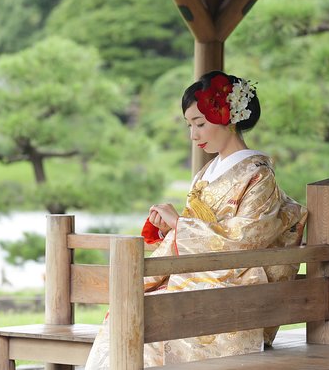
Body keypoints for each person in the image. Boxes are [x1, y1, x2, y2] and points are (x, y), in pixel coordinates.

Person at [85, 70, 307, 368]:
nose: (193, 135)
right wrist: (171, 230)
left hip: (235, 280)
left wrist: (181, 225)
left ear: (228, 117)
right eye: (189, 125)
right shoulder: (205, 174)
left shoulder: (258, 174)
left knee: (155, 319)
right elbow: (195, 232)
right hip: (200, 273)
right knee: (130, 315)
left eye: (200, 124)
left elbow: (247, 238)